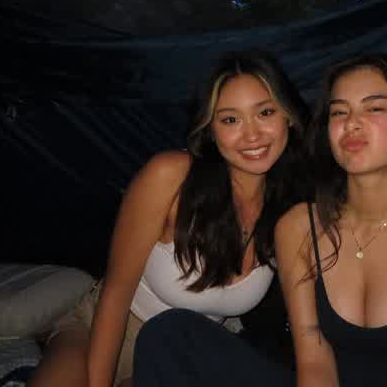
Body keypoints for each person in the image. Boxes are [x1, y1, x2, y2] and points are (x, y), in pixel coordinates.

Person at [131, 53, 387, 387]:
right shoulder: (298, 227)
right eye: (339, 112)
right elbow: (314, 363)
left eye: (374, 108)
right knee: (169, 333)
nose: (352, 123)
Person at [28, 49, 310, 387]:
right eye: (230, 120)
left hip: (183, 353)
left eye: (265, 112)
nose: (252, 135)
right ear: (210, 130)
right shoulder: (172, 176)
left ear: (288, 116)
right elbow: (116, 293)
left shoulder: (292, 210)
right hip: (103, 331)